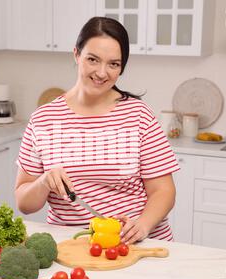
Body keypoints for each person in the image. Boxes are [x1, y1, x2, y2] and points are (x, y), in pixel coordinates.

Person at [15, 17, 180, 244]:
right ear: (76, 54)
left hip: (135, 243)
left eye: (113, 64)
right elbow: (24, 203)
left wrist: (142, 226)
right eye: (93, 59)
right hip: (72, 245)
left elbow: (164, 191)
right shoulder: (43, 119)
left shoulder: (139, 115)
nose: (102, 73)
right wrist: (43, 182)